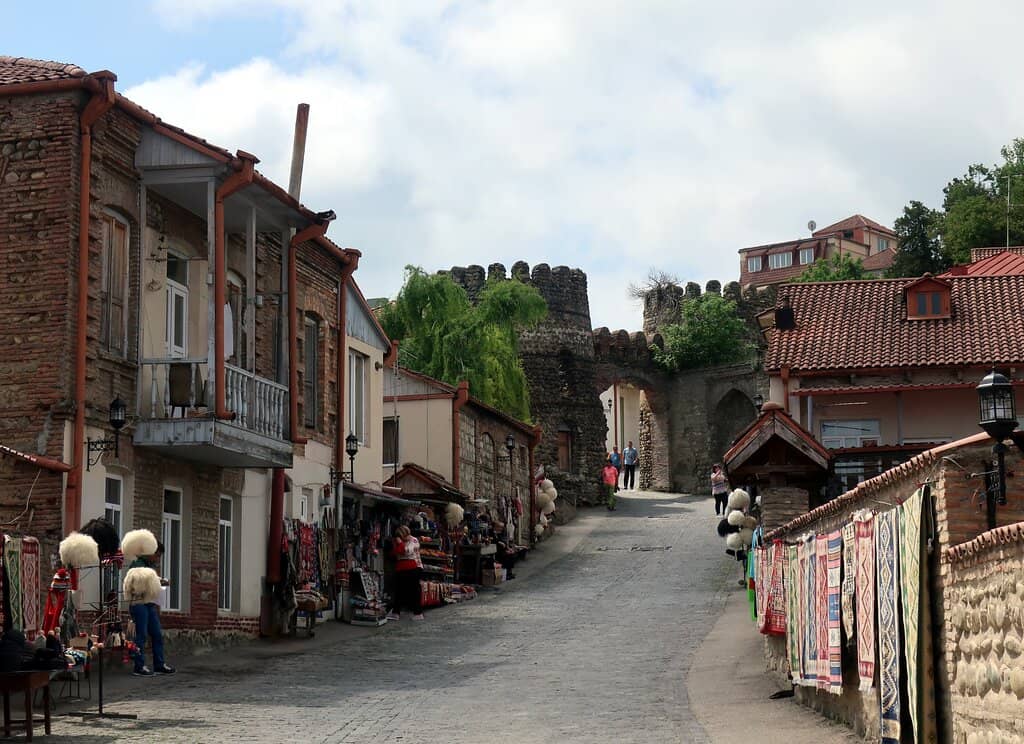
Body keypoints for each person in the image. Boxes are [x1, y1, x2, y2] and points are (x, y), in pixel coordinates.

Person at [127, 542, 175, 677]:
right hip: (138, 604)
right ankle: (139, 666)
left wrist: (160, 582)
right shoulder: (137, 564)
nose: (157, 559)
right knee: (141, 635)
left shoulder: (150, 565)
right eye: (157, 555)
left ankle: (159, 665)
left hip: (149, 603)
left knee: (156, 634)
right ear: (150, 552)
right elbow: (139, 583)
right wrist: (158, 581)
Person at [388, 526, 424, 621]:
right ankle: (396, 612)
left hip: (413, 567)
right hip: (401, 567)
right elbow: (394, 553)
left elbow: (405, 551)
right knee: (399, 590)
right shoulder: (398, 541)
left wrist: (400, 543)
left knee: (414, 590)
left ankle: (417, 612)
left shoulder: (413, 540)